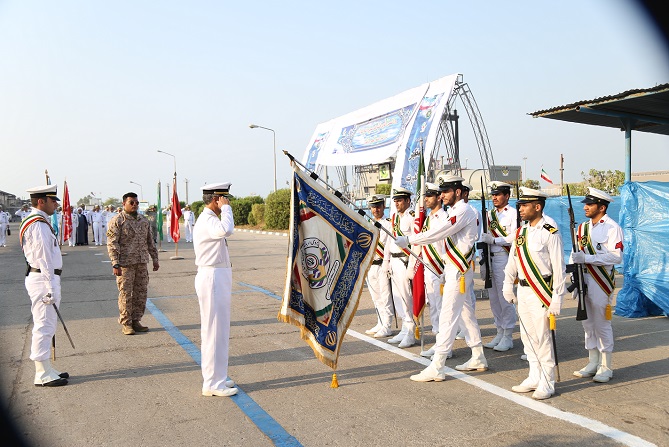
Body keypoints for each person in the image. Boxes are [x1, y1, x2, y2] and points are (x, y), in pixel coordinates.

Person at [396, 174, 488, 381]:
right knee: (466, 315)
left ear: (457, 192)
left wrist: (409, 239)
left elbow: (440, 232)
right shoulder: (456, 210)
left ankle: (437, 366)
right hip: (452, 268)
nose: (442, 195)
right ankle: (478, 355)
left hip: (458, 270)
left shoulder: (463, 210)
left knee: (447, 317)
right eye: (441, 191)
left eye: (446, 191)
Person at [502, 187, 566, 400]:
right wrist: (507, 284)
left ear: (537, 207)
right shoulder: (521, 232)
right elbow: (513, 260)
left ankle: (547, 381)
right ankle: (534, 376)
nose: (520, 209)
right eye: (519, 205)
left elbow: (559, 266)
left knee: (543, 337)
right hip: (523, 290)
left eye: (525, 205)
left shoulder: (550, 231)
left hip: (541, 291)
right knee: (527, 337)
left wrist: (558, 296)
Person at [570, 187, 623, 383]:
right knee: (588, 323)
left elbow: (616, 257)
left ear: (601, 207)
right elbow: (576, 252)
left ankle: (606, 365)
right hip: (584, 279)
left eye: (590, 204)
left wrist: (588, 258)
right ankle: (592, 361)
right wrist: (574, 274)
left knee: (602, 323)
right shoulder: (583, 228)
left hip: (601, 281)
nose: (586, 207)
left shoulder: (612, 227)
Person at [20, 184, 69, 387]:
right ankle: (41, 373)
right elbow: (44, 258)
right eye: (53, 200)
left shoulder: (40, 221)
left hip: (43, 278)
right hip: (43, 279)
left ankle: (47, 367)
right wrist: (50, 287)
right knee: (43, 325)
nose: (56, 204)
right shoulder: (38, 224)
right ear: (41, 201)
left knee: (48, 324)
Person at [193, 183, 238, 397]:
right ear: (215, 199)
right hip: (212, 277)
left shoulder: (209, 219)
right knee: (213, 331)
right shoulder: (210, 220)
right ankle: (212, 383)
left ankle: (218, 376)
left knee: (219, 330)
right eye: (224, 199)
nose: (226, 202)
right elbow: (226, 230)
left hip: (217, 276)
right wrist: (227, 210)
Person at [107, 192, 160, 335]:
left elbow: (150, 241)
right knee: (125, 293)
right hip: (125, 264)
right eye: (132, 202)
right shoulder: (118, 220)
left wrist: (155, 258)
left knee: (141, 293)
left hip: (141, 262)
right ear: (124, 204)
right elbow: (112, 244)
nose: (135, 205)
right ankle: (126, 323)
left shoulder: (143, 220)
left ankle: (136, 320)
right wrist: (115, 263)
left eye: (136, 202)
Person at [479, 181, 518, 352]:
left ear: (507, 196)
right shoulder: (488, 215)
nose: (494, 197)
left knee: (504, 298)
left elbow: (515, 237)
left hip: (504, 257)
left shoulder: (513, 214)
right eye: (493, 194)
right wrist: (482, 261)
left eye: (498, 194)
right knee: (494, 299)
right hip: (490, 258)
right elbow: (481, 238)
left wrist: (495, 240)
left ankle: (508, 335)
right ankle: (499, 331)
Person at [415, 183, 447, 358]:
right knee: (433, 306)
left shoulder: (444, 218)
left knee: (442, 308)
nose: (426, 199)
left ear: (438, 197)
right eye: (425, 196)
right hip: (429, 268)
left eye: (429, 196)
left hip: (440, 268)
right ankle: (438, 341)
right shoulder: (428, 219)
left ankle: (444, 345)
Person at [386, 187, 416, 348]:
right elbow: (390, 242)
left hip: (406, 260)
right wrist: (387, 261)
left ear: (407, 201)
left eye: (399, 200)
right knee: (398, 296)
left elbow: (416, 240)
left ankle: (411, 331)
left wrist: (412, 264)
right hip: (395, 261)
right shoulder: (394, 217)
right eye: (395, 200)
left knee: (406, 296)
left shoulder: (412, 217)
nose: (397, 203)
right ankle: (405, 328)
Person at [363, 195, 394, 338]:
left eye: (379, 206)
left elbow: (388, 246)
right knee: (376, 297)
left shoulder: (388, 224)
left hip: (383, 264)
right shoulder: (367, 223)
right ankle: (380, 322)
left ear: (383, 206)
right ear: (370, 208)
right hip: (371, 265)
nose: (376, 209)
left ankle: (387, 325)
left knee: (385, 296)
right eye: (373, 207)